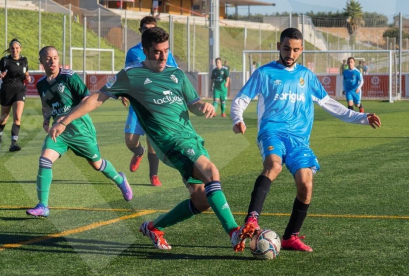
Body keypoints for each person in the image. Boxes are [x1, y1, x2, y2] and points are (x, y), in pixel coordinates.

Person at [48, 27, 256, 252]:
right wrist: (64, 120)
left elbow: (192, 105)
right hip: (169, 143)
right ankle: (234, 232)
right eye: (157, 52)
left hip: (191, 140)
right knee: (211, 173)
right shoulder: (131, 75)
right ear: (145, 51)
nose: (163, 56)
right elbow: (96, 99)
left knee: (201, 200)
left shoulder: (176, 74)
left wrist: (202, 106)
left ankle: (153, 227)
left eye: (166, 50)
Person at [231, 28, 381, 252]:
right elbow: (240, 100)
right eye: (286, 48)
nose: (290, 53)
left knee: (306, 184)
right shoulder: (264, 73)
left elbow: (330, 104)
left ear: (301, 50)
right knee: (273, 165)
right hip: (272, 132)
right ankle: (252, 219)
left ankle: (290, 237)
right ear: (278, 46)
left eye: (295, 50)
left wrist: (361, 117)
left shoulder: (307, 77)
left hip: (299, 140)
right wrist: (237, 119)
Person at [26, 46, 133, 217]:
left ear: (58, 58)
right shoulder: (41, 84)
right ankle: (43, 205)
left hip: (80, 128)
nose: (52, 61)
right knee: (45, 160)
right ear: (41, 62)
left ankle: (120, 179)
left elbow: (86, 100)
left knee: (97, 164)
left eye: (55, 57)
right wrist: (46, 119)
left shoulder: (69, 76)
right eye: (47, 58)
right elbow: (46, 105)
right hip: (59, 132)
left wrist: (65, 118)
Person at [123, 16, 178, 186]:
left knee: (153, 140)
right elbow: (127, 73)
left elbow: (174, 72)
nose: (148, 31)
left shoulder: (163, 51)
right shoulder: (133, 52)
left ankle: (153, 175)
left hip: (157, 103)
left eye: (152, 28)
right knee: (130, 140)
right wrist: (124, 92)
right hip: (137, 102)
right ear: (140, 31)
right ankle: (138, 152)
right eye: (145, 28)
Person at [0, 38, 31, 152]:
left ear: (20, 49)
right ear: (9, 49)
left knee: (17, 117)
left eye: (17, 48)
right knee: (3, 118)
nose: (15, 50)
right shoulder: (4, 60)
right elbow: (0, 73)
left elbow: (26, 74)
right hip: (7, 89)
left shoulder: (24, 60)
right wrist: (1, 75)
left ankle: (13, 143)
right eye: (12, 48)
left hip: (20, 89)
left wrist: (28, 77)